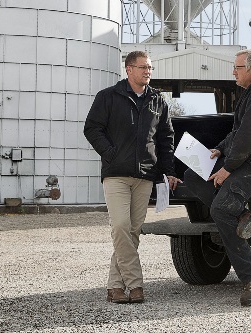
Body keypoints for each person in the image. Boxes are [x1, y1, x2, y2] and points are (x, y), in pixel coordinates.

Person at [184, 49, 251, 306]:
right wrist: (219, 149)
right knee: (193, 175)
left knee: (220, 210)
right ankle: (241, 213)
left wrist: (227, 168)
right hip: (245, 160)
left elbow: (248, 137)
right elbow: (237, 133)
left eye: (237, 68)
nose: (233, 72)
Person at [84, 51, 181, 304]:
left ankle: (115, 287)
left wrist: (168, 171)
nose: (148, 71)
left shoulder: (157, 100)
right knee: (119, 227)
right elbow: (92, 128)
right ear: (128, 69)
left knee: (133, 231)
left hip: (145, 175)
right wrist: (110, 153)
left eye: (150, 67)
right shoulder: (108, 97)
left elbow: (166, 139)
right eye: (143, 67)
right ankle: (135, 284)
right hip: (116, 174)